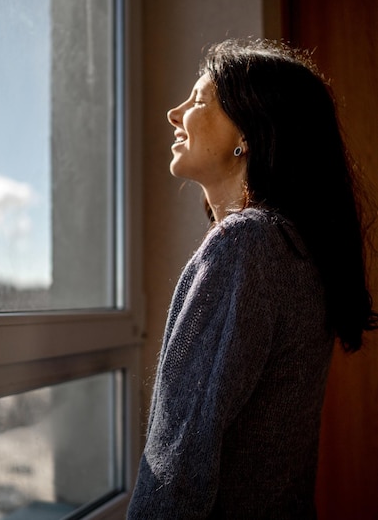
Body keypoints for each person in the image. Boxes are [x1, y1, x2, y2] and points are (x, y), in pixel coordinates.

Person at [127, 39, 376, 519]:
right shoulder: (291, 246)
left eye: (200, 100)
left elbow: (179, 457)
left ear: (250, 133)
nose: (174, 114)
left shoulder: (247, 246)